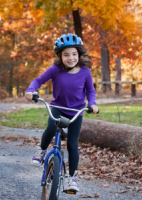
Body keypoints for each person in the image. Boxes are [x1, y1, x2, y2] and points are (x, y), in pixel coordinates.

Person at [25, 33, 99, 193]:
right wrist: (31, 89)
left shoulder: (85, 72)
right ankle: (43, 150)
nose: (71, 58)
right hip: (58, 108)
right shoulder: (55, 70)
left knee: (72, 144)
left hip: (76, 112)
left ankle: (72, 177)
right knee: (51, 129)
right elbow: (38, 80)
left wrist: (92, 103)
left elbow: (90, 91)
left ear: (79, 54)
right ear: (60, 56)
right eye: (66, 55)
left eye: (74, 54)